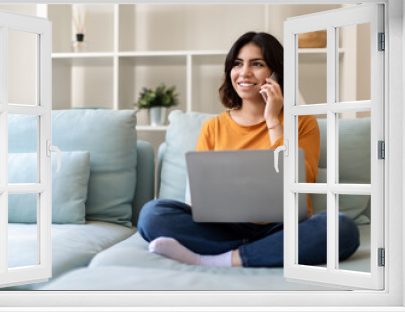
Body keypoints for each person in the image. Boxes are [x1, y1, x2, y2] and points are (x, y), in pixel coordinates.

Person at [137, 32, 360, 268]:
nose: (244, 72)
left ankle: (218, 258)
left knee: (341, 228)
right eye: (237, 64)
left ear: (276, 73)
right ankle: (261, 253)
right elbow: (197, 197)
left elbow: (301, 181)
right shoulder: (213, 127)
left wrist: (273, 120)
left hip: (283, 228)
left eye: (257, 64)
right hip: (223, 229)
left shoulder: (303, 122)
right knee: (152, 214)